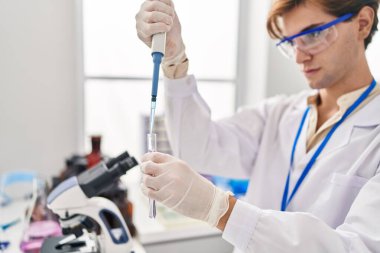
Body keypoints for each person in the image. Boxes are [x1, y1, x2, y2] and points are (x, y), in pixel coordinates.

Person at [135, 0, 380, 252]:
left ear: (362, 23)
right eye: (291, 42)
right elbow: (199, 149)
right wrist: (175, 59)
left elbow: (359, 248)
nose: (299, 56)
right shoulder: (278, 114)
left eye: (313, 34)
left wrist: (221, 210)